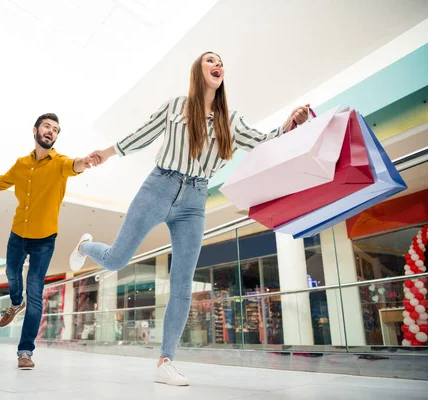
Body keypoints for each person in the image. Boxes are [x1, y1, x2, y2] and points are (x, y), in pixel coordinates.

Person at [69, 52, 310, 386]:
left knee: (182, 282)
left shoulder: (231, 120)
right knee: (116, 259)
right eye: (211, 60)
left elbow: (263, 142)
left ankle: (165, 361)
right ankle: (86, 245)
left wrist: (291, 123)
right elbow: (142, 134)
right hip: (158, 187)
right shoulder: (177, 106)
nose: (218, 65)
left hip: (195, 200)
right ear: (198, 70)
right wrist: (105, 153)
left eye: (222, 62)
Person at [0, 113, 97, 370]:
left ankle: (25, 351)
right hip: (18, 234)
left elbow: (75, 164)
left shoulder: (59, 163)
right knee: (11, 274)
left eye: (56, 130)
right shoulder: (21, 164)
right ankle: (16, 303)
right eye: (47, 126)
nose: (51, 131)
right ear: (35, 130)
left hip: (44, 240)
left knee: (35, 292)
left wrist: (87, 160)